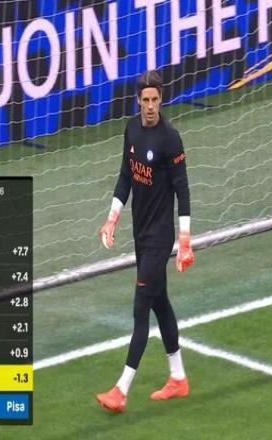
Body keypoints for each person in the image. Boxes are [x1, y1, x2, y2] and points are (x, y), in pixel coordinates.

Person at [96, 70, 194, 413]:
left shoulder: (170, 139)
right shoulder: (132, 130)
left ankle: (121, 390)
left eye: (155, 100)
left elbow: (183, 191)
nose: (151, 106)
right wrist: (112, 218)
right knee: (159, 302)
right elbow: (126, 176)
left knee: (141, 308)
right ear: (137, 101)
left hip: (159, 238)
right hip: (140, 234)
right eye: (145, 100)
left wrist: (185, 240)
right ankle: (178, 378)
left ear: (161, 99)